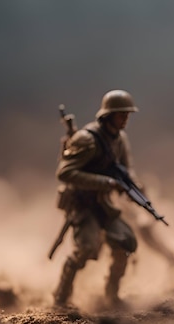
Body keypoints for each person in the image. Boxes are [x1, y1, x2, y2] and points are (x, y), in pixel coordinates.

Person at [53, 89, 141, 308]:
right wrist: (106, 183)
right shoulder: (86, 140)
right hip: (82, 203)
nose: (126, 119)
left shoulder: (120, 140)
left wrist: (134, 189)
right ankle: (61, 298)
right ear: (108, 115)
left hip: (104, 204)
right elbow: (65, 173)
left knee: (125, 243)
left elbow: (126, 171)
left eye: (128, 115)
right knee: (86, 249)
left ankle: (112, 295)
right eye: (122, 114)